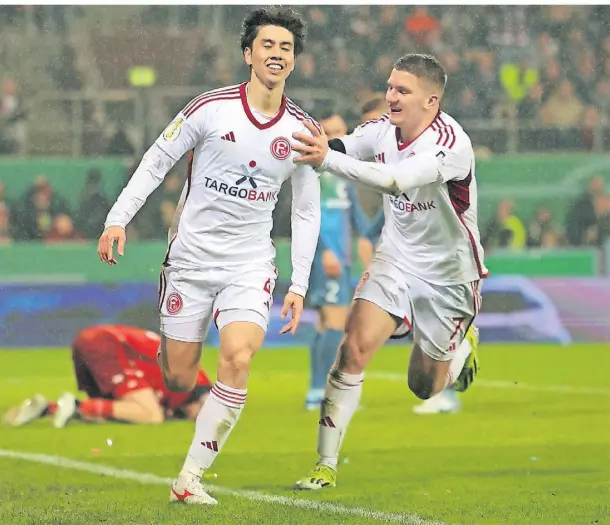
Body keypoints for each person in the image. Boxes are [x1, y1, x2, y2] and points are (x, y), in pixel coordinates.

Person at [97, 7, 320, 505]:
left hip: (250, 264)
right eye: (267, 45)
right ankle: (169, 349)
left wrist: (299, 283)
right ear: (248, 54)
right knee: (178, 378)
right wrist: (119, 217)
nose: (276, 54)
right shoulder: (210, 108)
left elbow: (305, 212)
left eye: (285, 47)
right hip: (192, 261)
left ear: (294, 61)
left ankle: (189, 479)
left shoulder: (304, 131)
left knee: (239, 357)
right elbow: (157, 160)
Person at [291, 53, 486, 489]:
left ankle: (458, 351)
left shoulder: (450, 144)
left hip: (449, 274)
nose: (390, 96)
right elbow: (341, 147)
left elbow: (394, 180)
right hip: (396, 258)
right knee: (352, 348)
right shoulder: (382, 129)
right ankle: (325, 465)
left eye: (402, 90)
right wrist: (301, 148)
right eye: (390, 87)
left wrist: (325, 159)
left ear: (431, 100)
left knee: (423, 385)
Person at [3, 325, 211, 428]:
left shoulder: (190, 382)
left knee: (120, 410)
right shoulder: (195, 384)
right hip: (107, 344)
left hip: (92, 340)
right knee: (151, 415)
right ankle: (76, 406)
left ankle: (48, 408)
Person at [305, 113, 374, 411]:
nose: (334, 137)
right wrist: (324, 251)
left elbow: (356, 214)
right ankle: (324, 390)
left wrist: (365, 238)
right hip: (327, 257)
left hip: (343, 259)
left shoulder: (344, 172)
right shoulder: (313, 172)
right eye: (328, 131)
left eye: (339, 132)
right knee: (335, 321)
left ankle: (316, 390)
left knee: (326, 323)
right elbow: (305, 215)